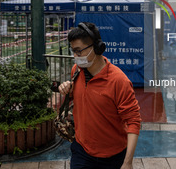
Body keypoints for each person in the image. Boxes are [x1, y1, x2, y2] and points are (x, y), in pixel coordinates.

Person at [59, 22, 141, 169]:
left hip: (113, 157)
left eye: (79, 51)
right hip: (81, 151)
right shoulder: (76, 71)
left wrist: (127, 162)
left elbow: (133, 122)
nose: (75, 56)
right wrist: (67, 91)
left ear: (96, 48)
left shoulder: (118, 81)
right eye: (73, 51)